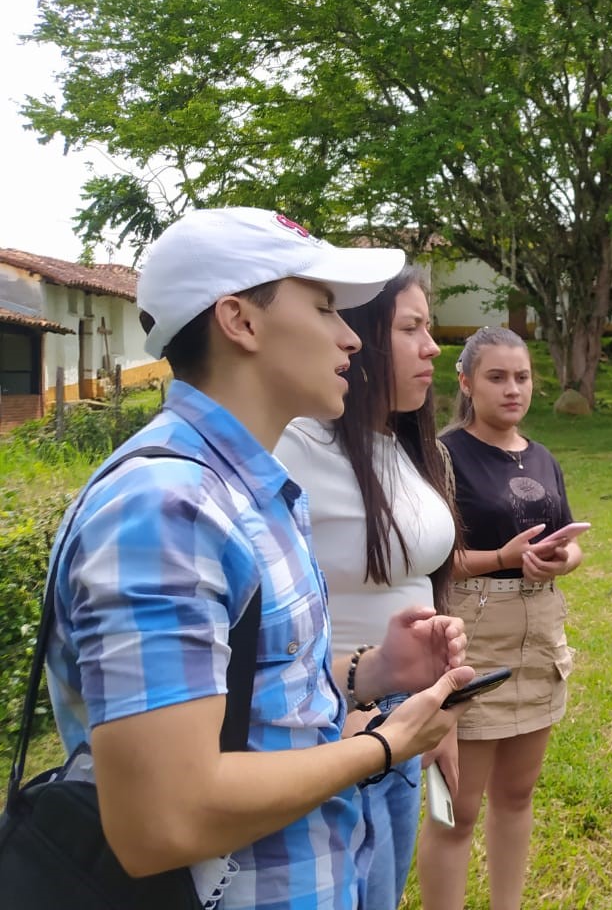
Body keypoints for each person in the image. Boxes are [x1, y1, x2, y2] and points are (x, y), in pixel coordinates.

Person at [44, 207, 477, 910]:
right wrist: (385, 746)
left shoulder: (248, 492)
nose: (348, 338)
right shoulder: (165, 509)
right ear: (241, 322)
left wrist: (374, 669)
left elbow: (255, 700)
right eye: (325, 307)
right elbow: (163, 818)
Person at [274, 265, 459, 910]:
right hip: (329, 720)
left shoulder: (408, 446)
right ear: (359, 339)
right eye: (411, 328)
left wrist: (438, 709)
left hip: (402, 708)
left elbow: (423, 581)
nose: (432, 347)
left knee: (382, 889)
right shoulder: (293, 446)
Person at [418, 326, 583, 910]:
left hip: (539, 634)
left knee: (517, 793)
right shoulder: (440, 454)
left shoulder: (541, 456)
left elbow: (569, 537)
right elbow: (428, 559)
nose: (513, 389)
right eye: (496, 377)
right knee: (453, 809)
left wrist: (561, 558)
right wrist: (503, 559)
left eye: (522, 376)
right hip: (470, 632)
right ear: (465, 382)